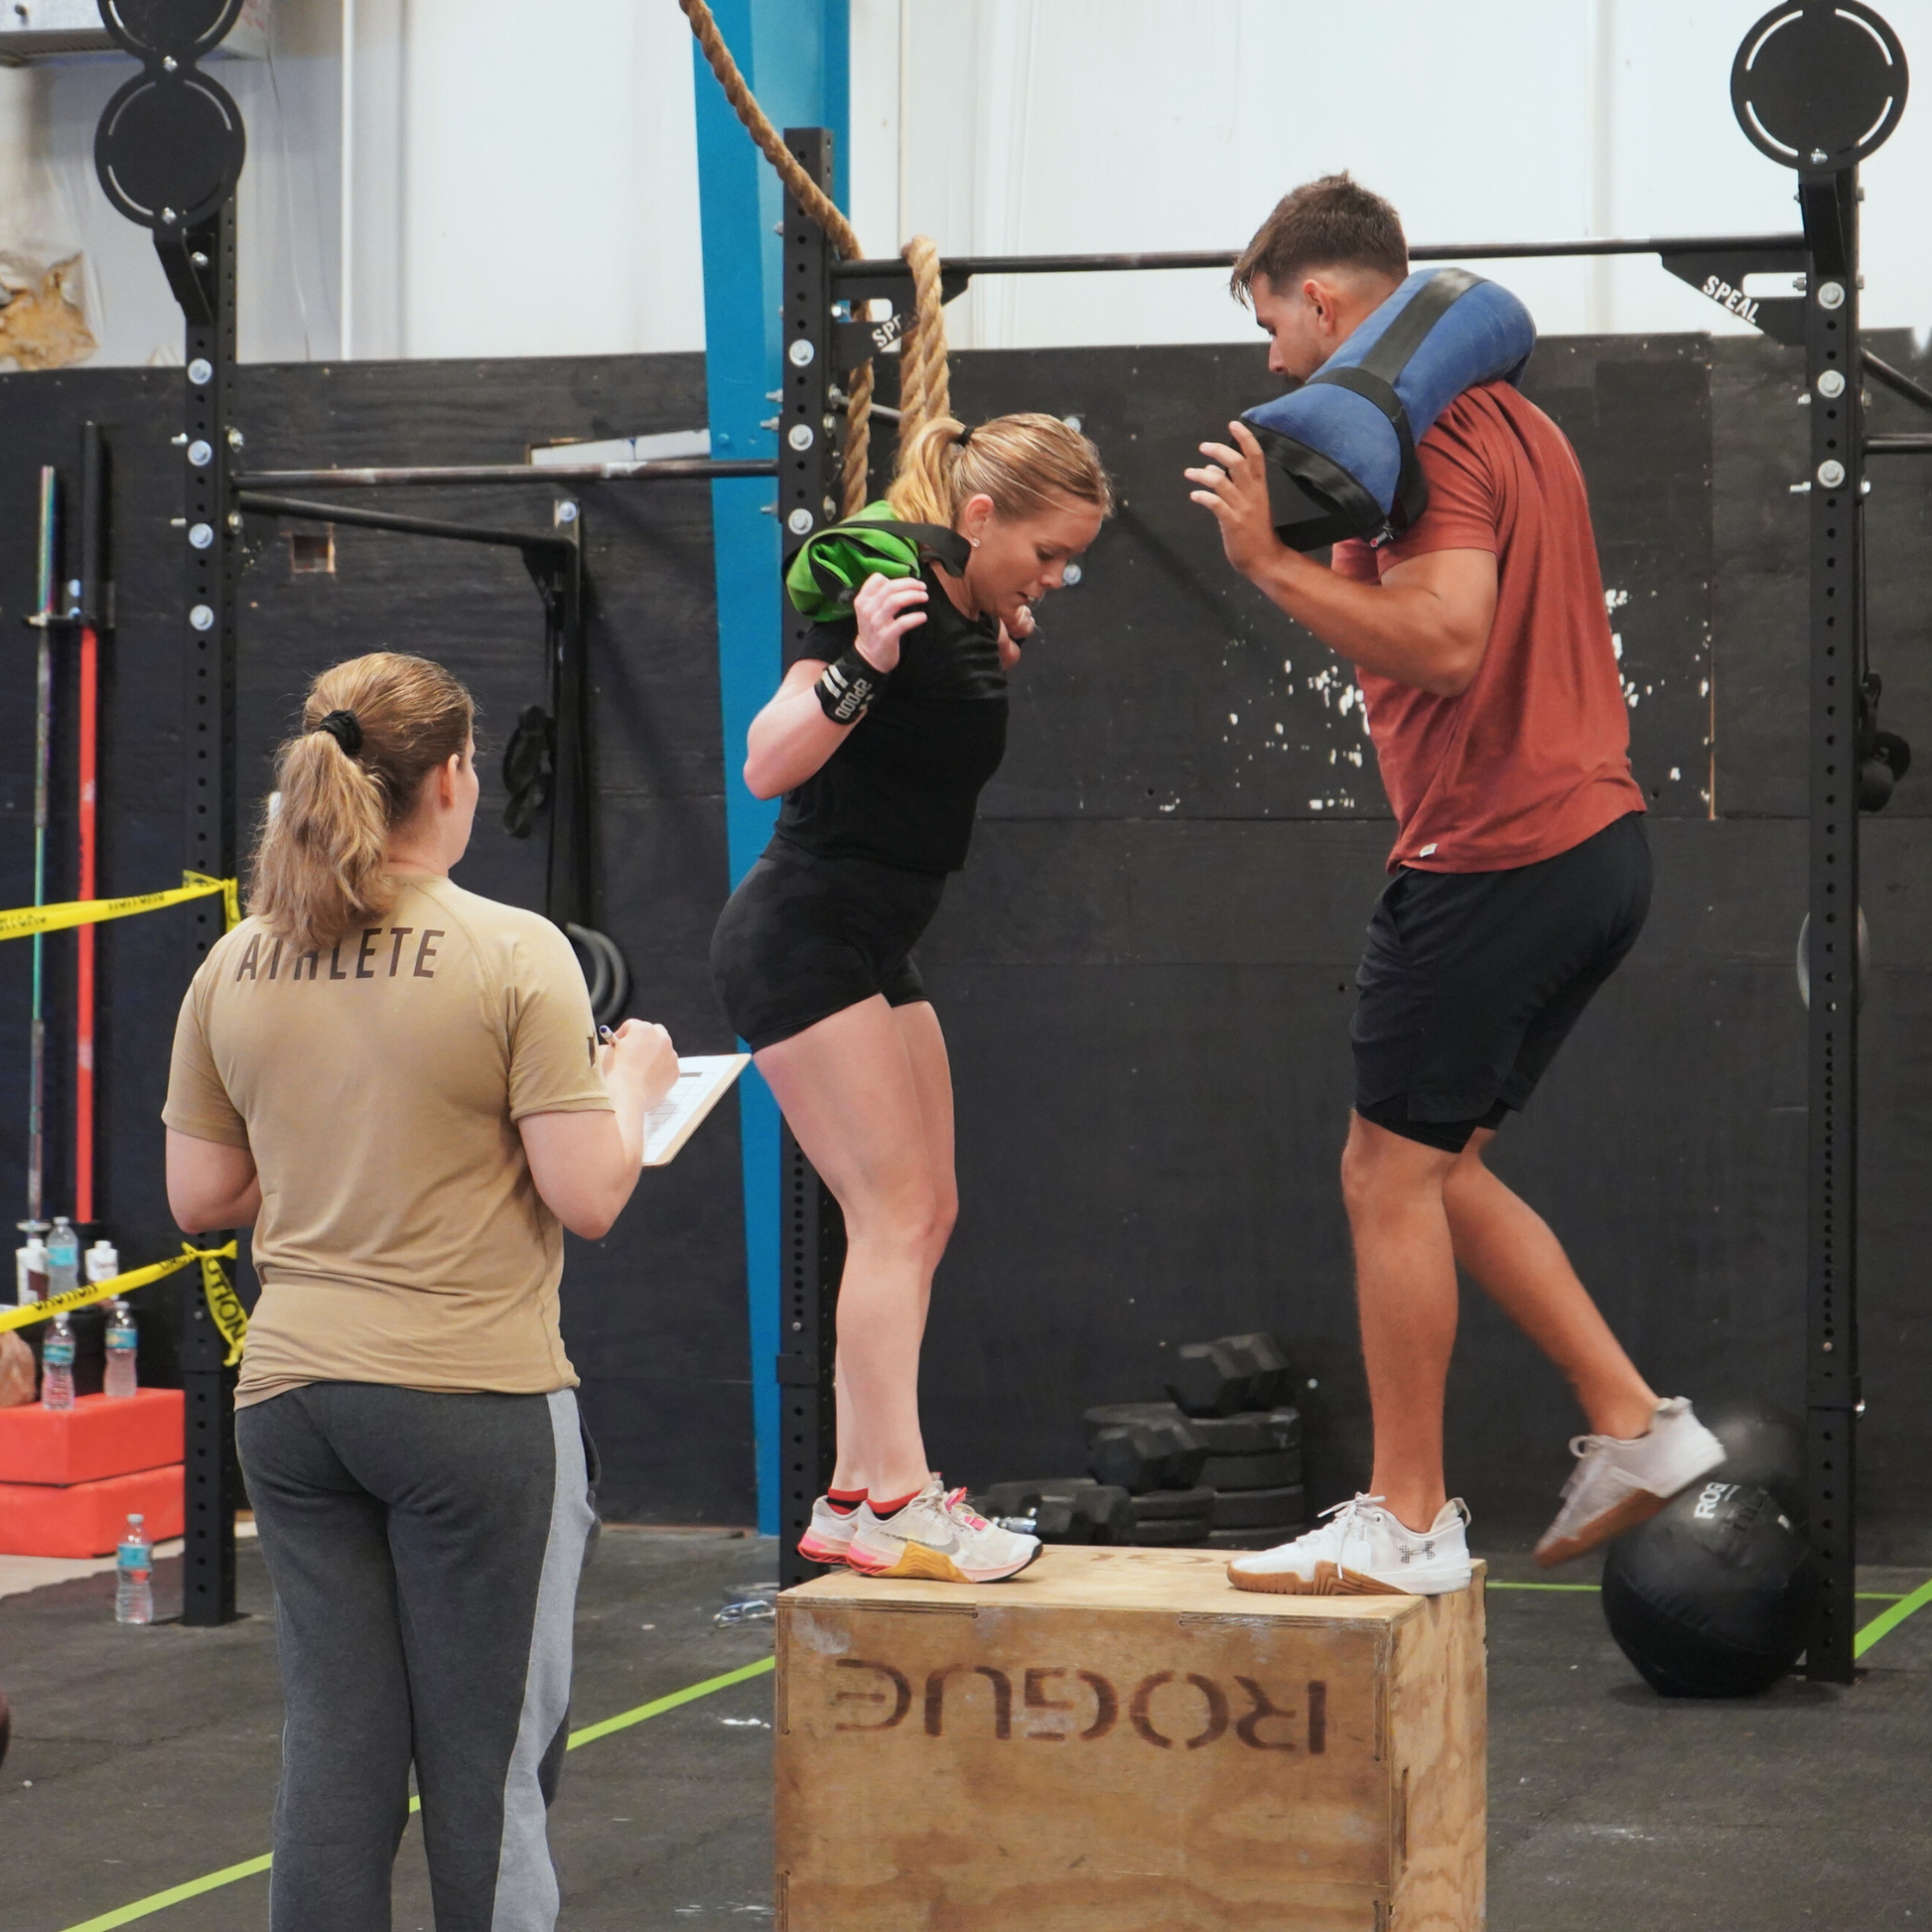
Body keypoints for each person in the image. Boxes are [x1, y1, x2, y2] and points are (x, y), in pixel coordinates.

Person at [1184, 175, 1723, 1596]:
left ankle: (1407, 1518)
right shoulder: (1514, 423)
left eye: (1270, 326)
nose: (1271, 364)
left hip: (1497, 852)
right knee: (1438, 1167)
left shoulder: (1422, 430)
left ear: (1321, 301)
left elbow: (1441, 637)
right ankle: (1634, 1421)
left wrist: (1263, 562)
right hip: (1592, 845)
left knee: (1381, 1175)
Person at [164, 651, 680, 1931]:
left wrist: (343, 1143)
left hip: (293, 1406)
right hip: (469, 1404)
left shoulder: (237, 960)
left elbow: (201, 1195)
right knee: (485, 1762)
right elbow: (589, 1193)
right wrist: (633, 1085)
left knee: (337, 1745)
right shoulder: (515, 950)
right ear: (451, 777)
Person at [712, 414, 1111, 1584]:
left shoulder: (968, 601)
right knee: (891, 1215)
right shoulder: (879, 588)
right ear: (979, 515)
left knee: (923, 1211)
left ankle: (851, 1496)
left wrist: (987, 626)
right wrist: (861, 668)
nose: (1053, 578)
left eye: (1070, 561)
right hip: (803, 932)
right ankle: (899, 1495)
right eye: (1045, 552)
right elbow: (766, 760)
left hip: (873, 939)